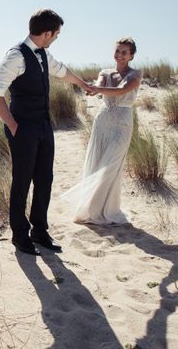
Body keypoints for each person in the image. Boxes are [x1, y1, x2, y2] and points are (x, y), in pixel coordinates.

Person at [0, 9, 93, 255]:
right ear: (47, 33)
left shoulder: (45, 54)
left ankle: (39, 231)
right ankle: (19, 235)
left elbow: (61, 70)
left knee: (45, 179)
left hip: (45, 126)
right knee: (22, 181)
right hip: (23, 129)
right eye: (56, 34)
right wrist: (14, 127)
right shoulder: (15, 56)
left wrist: (83, 84)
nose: (56, 37)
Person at [61, 37, 142, 225]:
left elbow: (122, 90)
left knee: (112, 164)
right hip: (103, 120)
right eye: (118, 51)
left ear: (131, 56)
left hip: (123, 121)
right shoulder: (105, 72)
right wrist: (91, 88)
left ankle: (108, 209)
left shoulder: (135, 74)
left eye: (124, 52)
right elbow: (98, 85)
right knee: (97, 161)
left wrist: (98, 89)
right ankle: (91, 209)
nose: (120, 55)